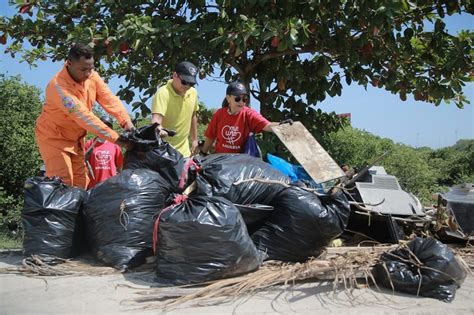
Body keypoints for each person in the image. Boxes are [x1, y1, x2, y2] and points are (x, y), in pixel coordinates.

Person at [35, 42, 134, 189]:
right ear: (69, 63)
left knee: (81, 184)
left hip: (76, 139)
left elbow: (109, 99)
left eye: (91, 68)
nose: (88, 74)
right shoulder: (58, 87)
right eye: (83, 69)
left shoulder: (91, 76)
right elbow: (85, 117)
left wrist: (127, 123)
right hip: (54, 138)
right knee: (63, 183)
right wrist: (118, 140)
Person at [200, 82, 281, 155]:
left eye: (244, 99)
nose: (241, 102)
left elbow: (268, 125)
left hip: (241, 163)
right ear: (228, 98)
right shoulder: (219, 114)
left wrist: (283, 125)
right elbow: (210, 137)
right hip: (221, 161)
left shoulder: (249, 114)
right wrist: (203, 153)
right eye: (238, 98)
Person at [151, 61, 199, 157]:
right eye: (184, 82)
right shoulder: (163, 93)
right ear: (174, 75)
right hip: (164, 152)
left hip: (184, 153)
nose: (187, 86)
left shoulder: (193, 93)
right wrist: (159, 128)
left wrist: (194, 140)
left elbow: (193, 116)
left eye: (191, 84)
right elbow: (156, 119)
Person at [84, 116, 124, 189]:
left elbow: (120, 167)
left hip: (110, 186)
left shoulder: (115, 146)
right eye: (102, 125)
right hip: (94, 187)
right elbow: (83, 164)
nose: (104, 129)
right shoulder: (89, 144)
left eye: (107, 126)